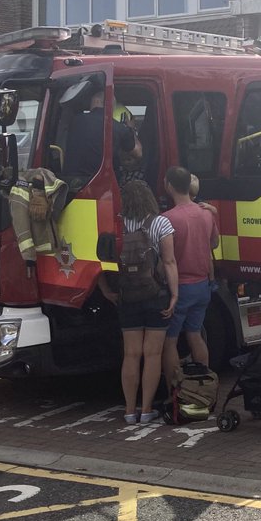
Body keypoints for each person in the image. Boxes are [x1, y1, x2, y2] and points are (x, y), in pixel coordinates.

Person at [97, 180, 178, 424]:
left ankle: (129, 411)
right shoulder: (160, 222)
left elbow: (99, 262)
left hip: (126, 296)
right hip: (155, 296)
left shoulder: (115, 224)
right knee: (152, 354)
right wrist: (174, 295)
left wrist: (106, 291)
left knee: (131, 354)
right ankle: (146, 411)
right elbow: (169, 262)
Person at [161, 166, 220, 384]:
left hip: (181, 287)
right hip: (203, 285)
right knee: (195, 334)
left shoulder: (167, 219)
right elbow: (214, 242)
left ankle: (175, 392)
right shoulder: (206, 213)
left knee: (170, 341)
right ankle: (204, 385)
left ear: (168, 186)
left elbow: (165, 258)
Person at [65, 90, 136, 178]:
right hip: (105, 182)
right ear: (112, 107)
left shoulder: (76, 120)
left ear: (96, 101)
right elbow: (130, 147)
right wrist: (131, 128)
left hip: (73, 182)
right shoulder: (120, 128)